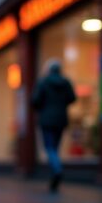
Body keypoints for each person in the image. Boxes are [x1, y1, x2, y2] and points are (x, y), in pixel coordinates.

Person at [31, 59, 76, 193]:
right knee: (55, 147)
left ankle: (57, 170)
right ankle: (54, 174)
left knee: (50, 148)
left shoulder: (43, 82)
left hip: (46, 120)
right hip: (61, 119)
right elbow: (72, 98)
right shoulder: (66, 82)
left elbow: (35, 100)